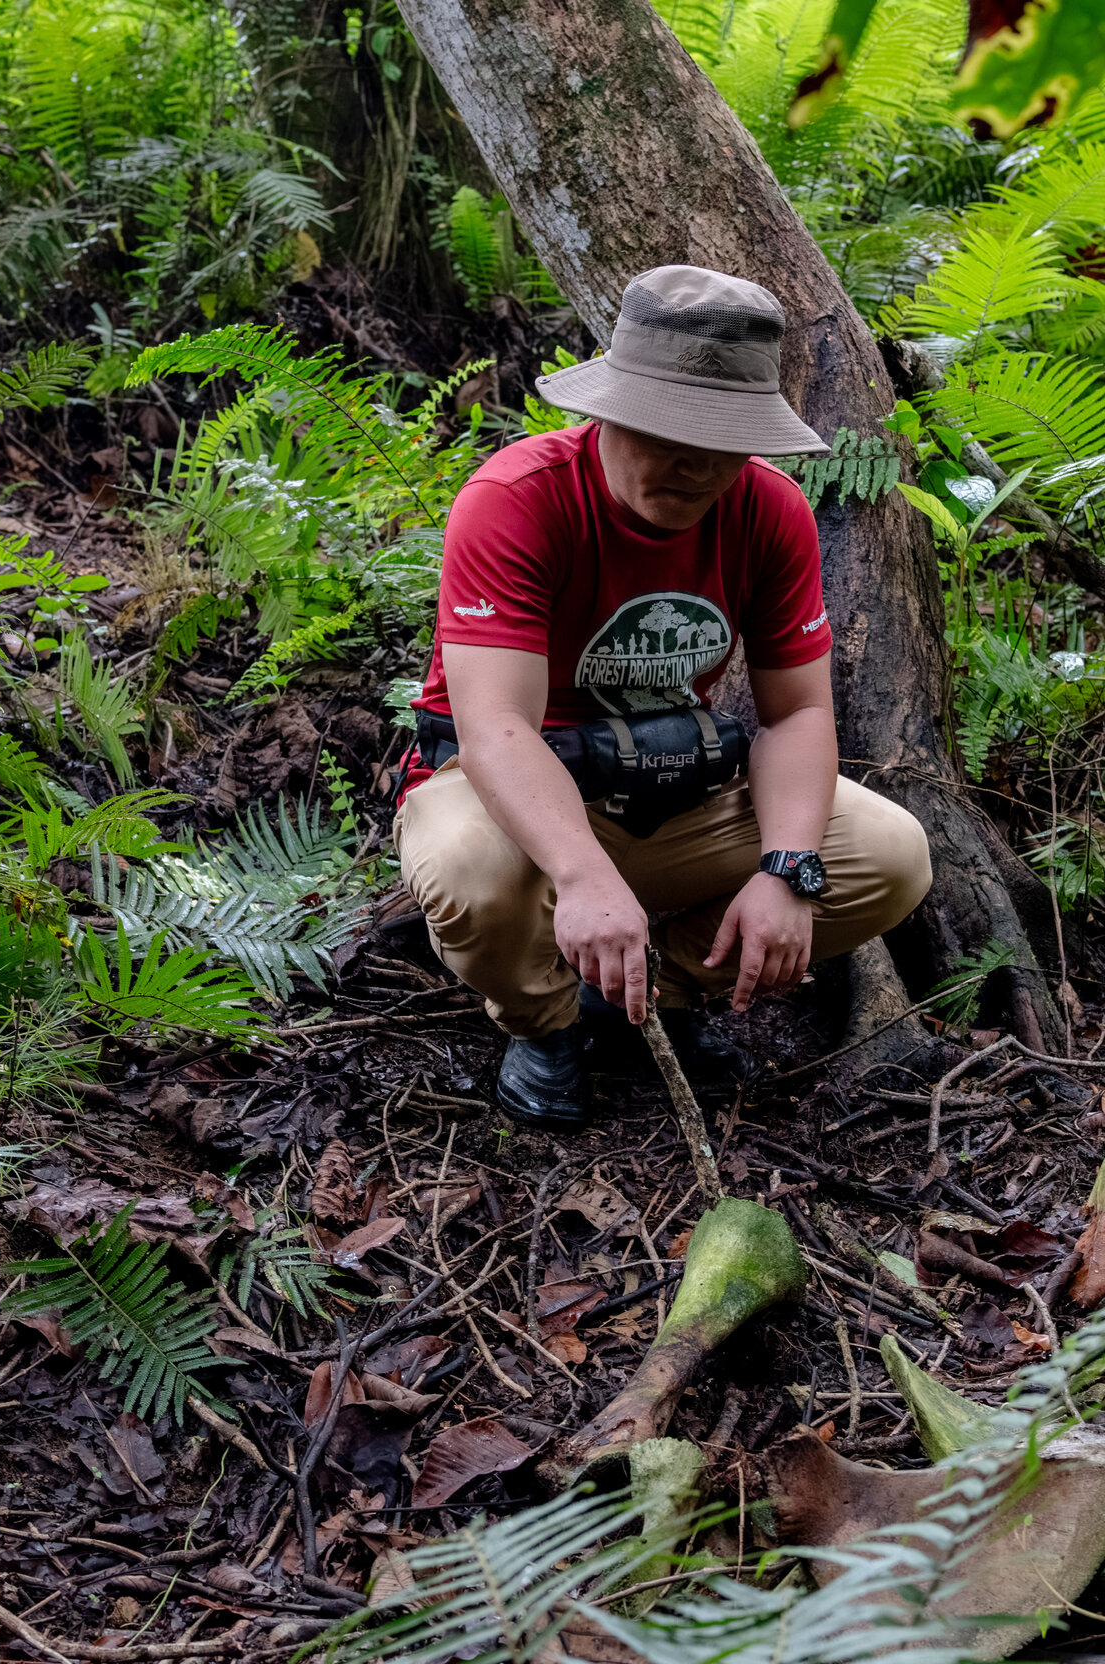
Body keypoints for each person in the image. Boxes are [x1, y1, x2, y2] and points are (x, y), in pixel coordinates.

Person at [394, 264, 932, 1128]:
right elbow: (493, 726)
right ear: (607, 410)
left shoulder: (769, 511)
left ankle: (650, 992)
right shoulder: (517, 501)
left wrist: (787, 869)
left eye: (724, 439)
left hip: (672, 783)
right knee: (469, 870)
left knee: (889, 853)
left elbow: (796, 712)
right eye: (669, 430)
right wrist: (582, 874)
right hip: (516, 799)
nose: (697, 464)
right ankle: (548, 1022)